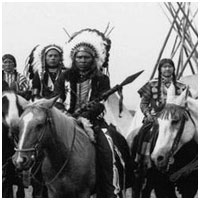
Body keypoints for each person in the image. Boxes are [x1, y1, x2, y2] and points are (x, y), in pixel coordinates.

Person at [54, 28, 133, 197]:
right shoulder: (63, 77)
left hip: (93, 121)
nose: (82, 60)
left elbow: (100, 103)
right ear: (73, 58)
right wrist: (65, 115)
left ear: (93, 59)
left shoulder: (101, 78)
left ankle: (111, 189)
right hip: (64, 119)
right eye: (79, 57)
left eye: (86, 57)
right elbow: (56, 100)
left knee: (110, 144)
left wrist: (83, 116)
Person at [132, 58, 187, 197]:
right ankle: (141, 163)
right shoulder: (152, 84)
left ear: (173, 69)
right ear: (160, 69)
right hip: (155, 118)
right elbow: (143, 103)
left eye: (170, 67)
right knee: (143, 134)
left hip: (173, 120)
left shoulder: (181, 86)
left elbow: (185, 104)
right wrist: (147, 113)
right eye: (164, 67)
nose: (167, 69)